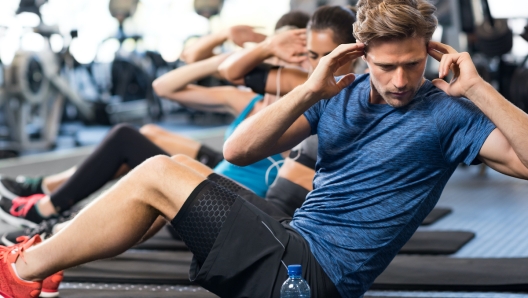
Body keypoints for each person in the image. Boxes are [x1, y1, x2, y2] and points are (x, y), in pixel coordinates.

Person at [7, 1, 523, 297]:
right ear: (361, 55)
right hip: (292, 242)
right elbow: (241, 148)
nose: (401, 79)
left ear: (432, 53)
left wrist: (477, 88)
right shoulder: (334, 97)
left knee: (156, 173)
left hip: (314, 278)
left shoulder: (449, 111)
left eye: (413, 64)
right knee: (170, 168)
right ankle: (45, 266)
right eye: (387, 66)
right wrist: (310, 89)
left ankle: (19, 274)